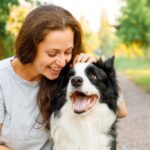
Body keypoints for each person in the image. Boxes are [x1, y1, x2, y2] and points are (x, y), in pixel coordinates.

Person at [0, 4, 127, 150]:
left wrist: (99, 71)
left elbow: (121, 111)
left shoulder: (68, 73)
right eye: (52, 54)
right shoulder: (3, 79)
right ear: (30, 48)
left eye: (68, 51)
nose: (61, 62)